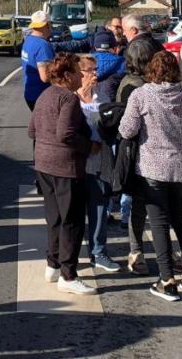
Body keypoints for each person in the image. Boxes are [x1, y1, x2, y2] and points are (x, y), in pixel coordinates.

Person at [118, 50, 182, 302]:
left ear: (152, 70)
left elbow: (127, 130)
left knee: (159, 224)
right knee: (181, 222)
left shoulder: (141, 95)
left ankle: (167, 280)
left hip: (152, 170)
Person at [29, 53, 96, 295]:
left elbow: (31, 130)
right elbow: (65, 134)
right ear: (67, 76)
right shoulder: (68, 98)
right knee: (72, 221)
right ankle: (68, 275)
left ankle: (53, 264)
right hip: (66, 166)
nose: (82, 76)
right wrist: (90, 146)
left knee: (54, 217)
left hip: (43, 164)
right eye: (78, 72)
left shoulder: (44, 95)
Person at [107, 33, 161, 274]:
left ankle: (137, 251)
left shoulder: (129, 81)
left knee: (140, 205)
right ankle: (140, 251)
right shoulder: (137, 87)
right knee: (148, 206)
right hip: (142, 151)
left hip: (135, 151)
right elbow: (132, 125)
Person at [76, 54, 120, 274]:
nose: (95, 74)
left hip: (101, 160)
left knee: (100, 209)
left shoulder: (101, 94)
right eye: (90, 70)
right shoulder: (69, 97)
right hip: (76, 163)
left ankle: (99, 252)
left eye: (95, 70)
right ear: (78, 73)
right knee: (74, 212)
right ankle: (69, 255)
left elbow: (111, 121)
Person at [21, 10, 56, 111]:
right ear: (47, 25)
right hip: (41, 96)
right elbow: (45, 77)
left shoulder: (28, 40)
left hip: (30, 93)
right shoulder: (43, 46)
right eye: (50, 24)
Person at [91, 30, 126, 105]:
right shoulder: (123, 62)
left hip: (89, 106)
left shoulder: (86, 63)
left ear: (95, 47)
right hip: (113, 107)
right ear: (114, 47)